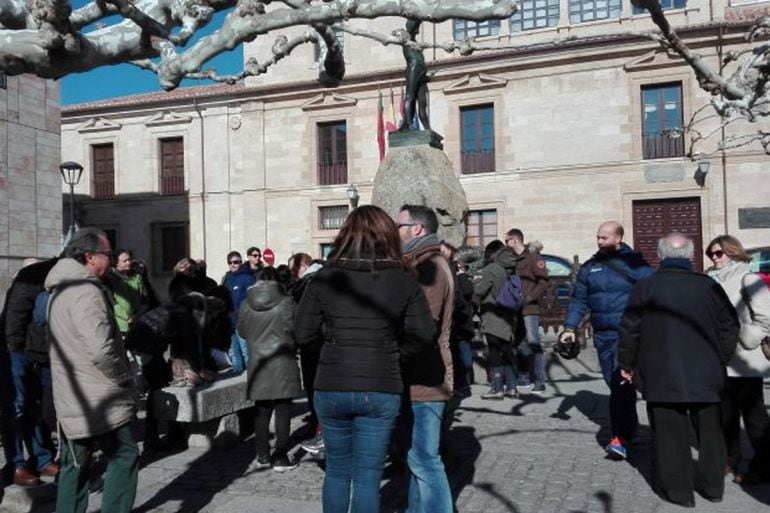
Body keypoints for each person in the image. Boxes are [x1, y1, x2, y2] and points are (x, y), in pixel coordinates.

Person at [293, 205, 435, 513]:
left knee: (337, 470)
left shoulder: (323, 279)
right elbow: (424, 335)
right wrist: (393, 352)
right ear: (388, 236)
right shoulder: (403, 280)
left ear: (345, 235)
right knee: (367, 477)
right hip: (381, 383)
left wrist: (332, 349)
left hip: (332, 383)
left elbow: (302, 333)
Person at [619, 233, 740, 507]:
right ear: (691, 256)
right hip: (706, 372)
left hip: (661, 373)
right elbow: (730, 326)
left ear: (660, 256)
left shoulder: (646, 287)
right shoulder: (709, 286)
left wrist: (627, 363)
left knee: (670, 435)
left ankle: (679, 492)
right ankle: (713, 487)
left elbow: (629, 330)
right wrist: (721, 356)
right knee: (711, 434)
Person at [45, 228, 139, 513]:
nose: (111, 259)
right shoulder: (85, 293)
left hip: (72, 393)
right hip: (99, 395)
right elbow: (100, 349)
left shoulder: (60, 290)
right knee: (124, 455)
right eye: (108, 254)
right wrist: (123, 377)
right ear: (90, 257)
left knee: (75, 464)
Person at [560, 221, 653, 459]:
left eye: (604, 237)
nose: (599, 241)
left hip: (629, 335)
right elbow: (579, 300)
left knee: (621, 386)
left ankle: (620, 437)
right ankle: (629, 428)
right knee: (616, 385)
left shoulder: (636, 264)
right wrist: (570, 327)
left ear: (618, 238)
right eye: (598, 237)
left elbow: (652, 294)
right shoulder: (590, 267)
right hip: (603, 336)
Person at [397, 204, 454, 513]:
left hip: (426, 376)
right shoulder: (421, 262)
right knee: (415, 456)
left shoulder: (429, 267)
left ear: (417, 229)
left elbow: (422, 326)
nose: (396, 232)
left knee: (425, 459)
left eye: (399, 226)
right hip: (418, 374)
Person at [706, 235, 770, 485]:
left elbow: (766, 316)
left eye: (719, 253)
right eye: (711, 254)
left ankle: (764, 465)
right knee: (726, 414)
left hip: (745, 359)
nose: (714, 258)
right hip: (719, 357)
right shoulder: (711, 279)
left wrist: (747, 338)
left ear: (733, 252)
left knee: (754, 417)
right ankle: (730, 458)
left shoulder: (748, 278)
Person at [238, 266, 303, 472]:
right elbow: (295, 329)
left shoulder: (246, 304)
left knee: (262, 410)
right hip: (282, 359)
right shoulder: (286, 302)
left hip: (258, 361)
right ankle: (280, 457)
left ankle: (263, 455)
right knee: (283, 410)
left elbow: (242, 330)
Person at [1, 257, 59, 486]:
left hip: (33, 351)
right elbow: (14, 318)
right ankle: (16, 464)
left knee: (33, 407)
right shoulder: (31, 278)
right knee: (16, 407)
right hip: (15, 351)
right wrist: (14, 348)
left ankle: (41, 458)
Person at [288, 253, 327, 455]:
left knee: (318, 389)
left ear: (304, 266)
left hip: (316, 344)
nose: (292, 274)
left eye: (294, 269)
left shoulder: (312, 282)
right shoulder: (305, 283)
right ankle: (316, 426)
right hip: (311, 344)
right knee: (313, 388)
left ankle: (321, 430)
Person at [506, 228, 550, 393]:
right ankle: (523, 378)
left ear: (515, 240)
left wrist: (530, 297)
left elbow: (544, 281)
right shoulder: (513, 260)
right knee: (520, 344)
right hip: (516, 308)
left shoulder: (532, 258)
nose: (506, 244)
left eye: (507, 240)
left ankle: (540, 381)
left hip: (529, 308)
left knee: (533, 343)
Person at [474, 240, 518, 400]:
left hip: (493, 316)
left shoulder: (491, 269)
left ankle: (497, 389)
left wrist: (475, 282)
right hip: (508, 316)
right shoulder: (509, 269)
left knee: (494, 352)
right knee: (507, 351)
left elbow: (479, 290)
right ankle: (512, 388)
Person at [222, 250, 255, 373]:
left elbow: (251, 299)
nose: (233, 265)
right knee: (233, 352)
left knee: (246, 350)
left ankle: (251, 374)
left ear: (241, 263)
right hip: (229, 321)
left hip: (242, 321)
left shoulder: (248, 278)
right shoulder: (227, 279)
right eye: (230, 262)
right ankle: (237, 372)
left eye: (236, 262)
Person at [398, 19, 430, 131]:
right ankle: (409, 123)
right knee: (410, 97)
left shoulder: (416, 43)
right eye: (417, 27)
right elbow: (397, 35)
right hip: (413, 70)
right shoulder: (405, 39)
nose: (418, 31)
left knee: (423, 102)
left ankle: (427, 128)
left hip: (421, 73)